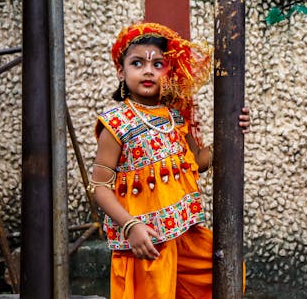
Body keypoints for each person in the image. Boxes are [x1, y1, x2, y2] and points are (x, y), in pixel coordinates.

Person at [89, 21, 250, 299]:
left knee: (228, 273)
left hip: (185, 237)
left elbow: (198, 161)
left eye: (158, 64)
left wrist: (233, 131)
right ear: (121, 71)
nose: (148, 70)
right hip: (146, 243)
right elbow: (99, 187)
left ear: (169, 71)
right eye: (137, 63)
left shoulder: (175, 117)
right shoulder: (115, 124)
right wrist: (131, 227)